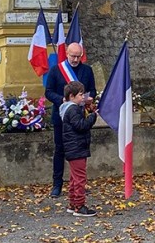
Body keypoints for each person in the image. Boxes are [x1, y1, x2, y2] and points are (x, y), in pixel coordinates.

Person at [45, 42, 96, 197]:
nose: (75, 59)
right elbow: (48, 92)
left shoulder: (87, 70)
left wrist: (89, 98)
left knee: (79, 152)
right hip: (61, 117)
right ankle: (57, 184)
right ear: (66, 53)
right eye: (72, 56)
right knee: (60, 150)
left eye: (78, 56)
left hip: (80, 117)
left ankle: (78, 184)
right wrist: (62, 100)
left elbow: (92, 89)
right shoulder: (56, 70)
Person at [59, 81, 98, 217]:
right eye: (81, 95)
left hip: (74, 148)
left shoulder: (69, 109)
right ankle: (80, 206)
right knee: (80, 178)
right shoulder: (73, 109)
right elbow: (81, 125)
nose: (83, 97)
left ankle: (73, 203)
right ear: (72, 96)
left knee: (74, 178)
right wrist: (93, 116)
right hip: (76, 147)